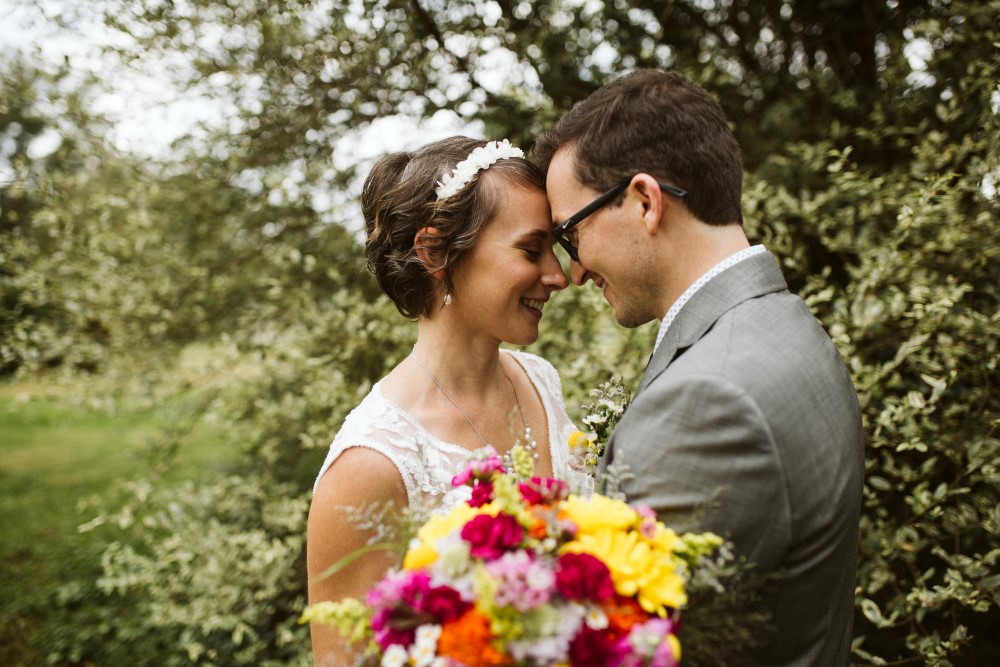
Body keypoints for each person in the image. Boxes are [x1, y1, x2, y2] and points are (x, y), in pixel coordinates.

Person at [533, 69, 865, 666]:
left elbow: (619, 648)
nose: (574, 271)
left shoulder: (710, 400)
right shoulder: (786, 323)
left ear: (643, 201)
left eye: (571, 234)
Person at [306, 136, 575, 665]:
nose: (559, 276)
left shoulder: (541, 381)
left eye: (556, 249)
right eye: (531, 249)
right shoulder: (371, 465)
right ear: (435, 253)